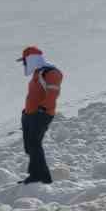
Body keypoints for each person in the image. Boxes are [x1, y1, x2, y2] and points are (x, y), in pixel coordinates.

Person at [18, 45, 64, 184]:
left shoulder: (51, 72)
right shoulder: (37, 72)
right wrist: (26, 112)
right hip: (30, 114)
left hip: (41, 114)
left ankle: (42, 177)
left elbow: (53, 93)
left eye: (25, 60)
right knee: (29, 146)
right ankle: (35, 175)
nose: (24, 63)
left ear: (32, 59)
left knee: (34, 144)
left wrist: (42, 109)